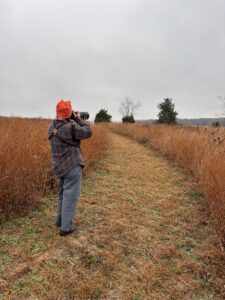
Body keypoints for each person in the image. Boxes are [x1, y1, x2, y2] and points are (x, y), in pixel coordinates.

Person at [48, 99, 92, 236]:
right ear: (69, 112)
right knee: (70, 197)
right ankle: (66, 228)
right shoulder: (71, 128)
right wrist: (79, 119)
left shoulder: (51, 127)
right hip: (72, 166)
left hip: (57, 167)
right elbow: (88, 131)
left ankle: (60, 221)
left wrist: (71, 118)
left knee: (62, 194)